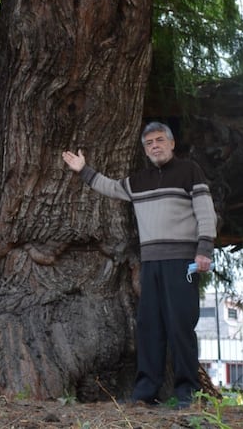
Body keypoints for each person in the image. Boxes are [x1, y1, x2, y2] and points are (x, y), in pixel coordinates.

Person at [62, 121, 216, 408]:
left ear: (171, 143)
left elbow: (206, 212)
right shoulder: (138, 181)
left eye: (159, 140)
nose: (155, 146)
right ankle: (146, 393)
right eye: (149, 143)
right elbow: (110, 187)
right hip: (151, 263)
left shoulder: (189, 172)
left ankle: (187, 394)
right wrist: (83, 170)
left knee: (181, 327)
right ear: (145, 150)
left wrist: (204, 249)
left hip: (182, 262)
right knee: (149, 327)